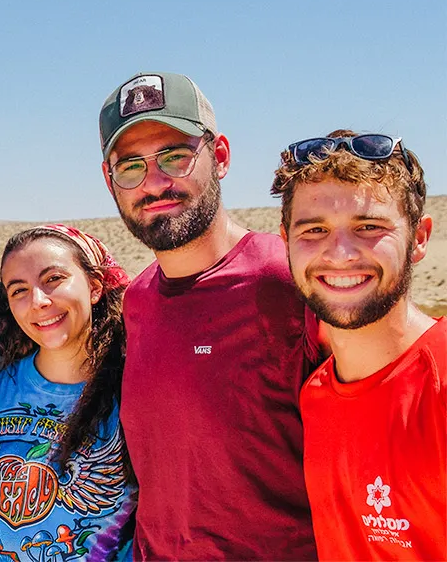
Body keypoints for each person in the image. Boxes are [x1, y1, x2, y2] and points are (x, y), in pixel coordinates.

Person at [97, 72, 318, 559]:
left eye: (175, 156)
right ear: (108, 180)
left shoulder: (287, 280)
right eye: (130, 167)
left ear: (219, 156)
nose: (154, 183)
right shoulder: (137, 301)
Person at [273, 131, 445, 559]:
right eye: (314, 230)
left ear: (419, 238)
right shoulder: (314, 397)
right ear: (285, 243)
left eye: (369, 227)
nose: (341, 253)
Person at [0, 224, 135, 562]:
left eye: (53, 279)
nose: (38, 301)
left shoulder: (135, 389)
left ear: (94, 286)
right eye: (18, 290)